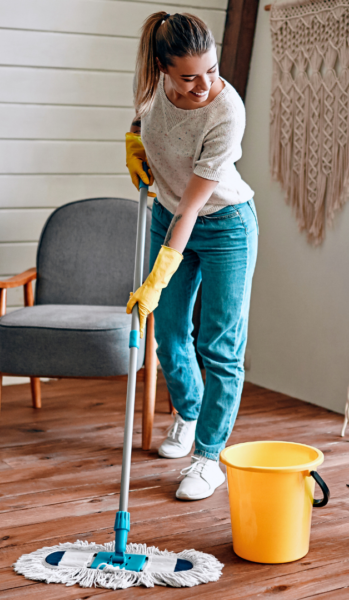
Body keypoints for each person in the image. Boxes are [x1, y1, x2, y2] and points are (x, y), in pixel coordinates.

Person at [125, 12, 258, 501]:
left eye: (212, 69)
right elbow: (143, 121)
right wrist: (133, 143)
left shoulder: (226, 112)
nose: (204, 84)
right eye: (189, 76)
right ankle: (189, 411)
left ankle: (208, 457)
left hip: (224, 225)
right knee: (171, 334)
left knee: (220, 346)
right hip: (167, 214)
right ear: (164, 69)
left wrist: (157, 276)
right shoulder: (150, 87)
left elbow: (192, 208)